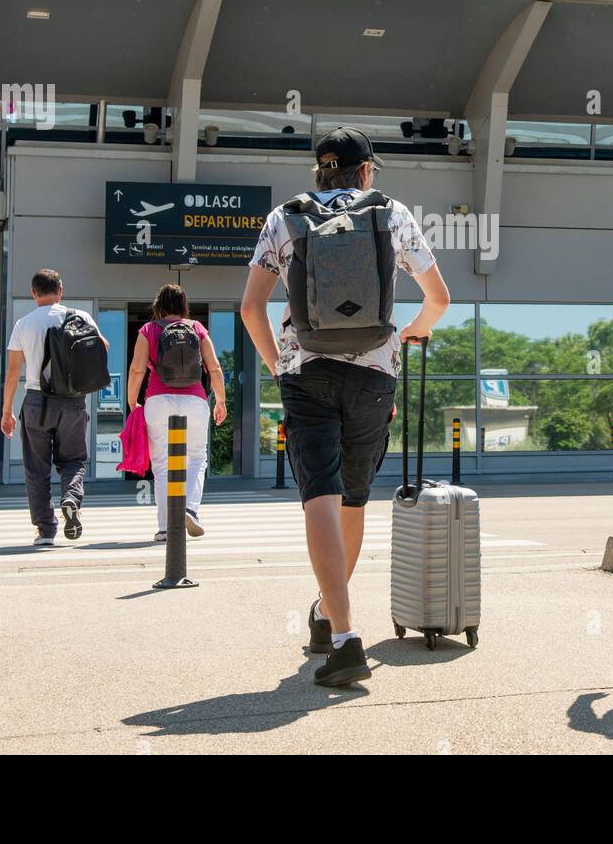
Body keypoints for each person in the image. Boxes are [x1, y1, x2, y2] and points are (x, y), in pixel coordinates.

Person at [242, 126, 450, 688]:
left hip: (306, 371)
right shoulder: (393, 214)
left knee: (320, 497)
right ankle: (333, 617)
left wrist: (277, 365)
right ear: (364, 171)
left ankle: (340, 632)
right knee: (353, 499)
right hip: (374, 375)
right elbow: (440, 299)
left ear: (321, 170)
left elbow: (251, 307)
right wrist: (412, 332)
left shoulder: (284, 218)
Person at [1, 270, 109, 546]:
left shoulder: (24, 323)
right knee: (73, 460)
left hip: (37, 401)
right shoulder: (80, 317)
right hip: (72, 401)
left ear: (33, 293)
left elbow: (13, 370)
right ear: (60, 289)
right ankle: (71, 498)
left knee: (36, 469)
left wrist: (7, 410)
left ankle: (46, 530)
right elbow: (103, 347)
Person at [127, 284, 227, 542]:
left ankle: (164, 528)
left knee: (161, 466)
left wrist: (132, 402)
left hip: (158, 400)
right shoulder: (197, 328)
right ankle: (191, 509)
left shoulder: (148, 330)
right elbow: (214, 368)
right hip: (194, 400)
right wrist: (220, 401)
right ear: (184, 305)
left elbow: (137, 370)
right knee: (196, 458)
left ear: (158, 305)